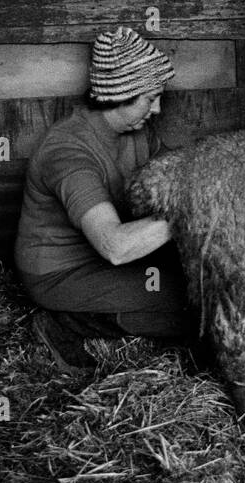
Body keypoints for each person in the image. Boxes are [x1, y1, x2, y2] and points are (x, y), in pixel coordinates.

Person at [15, 26, 193, 371]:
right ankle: (66, 323)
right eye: (150, 97)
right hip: (61, 272)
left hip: (103, 257)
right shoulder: (68, 151)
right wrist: (194, 208)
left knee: (197, 278)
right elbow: (116, 247)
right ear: (120, 95)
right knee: (195, 305)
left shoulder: (135, 132)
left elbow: (176, 172)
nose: (157, 109)